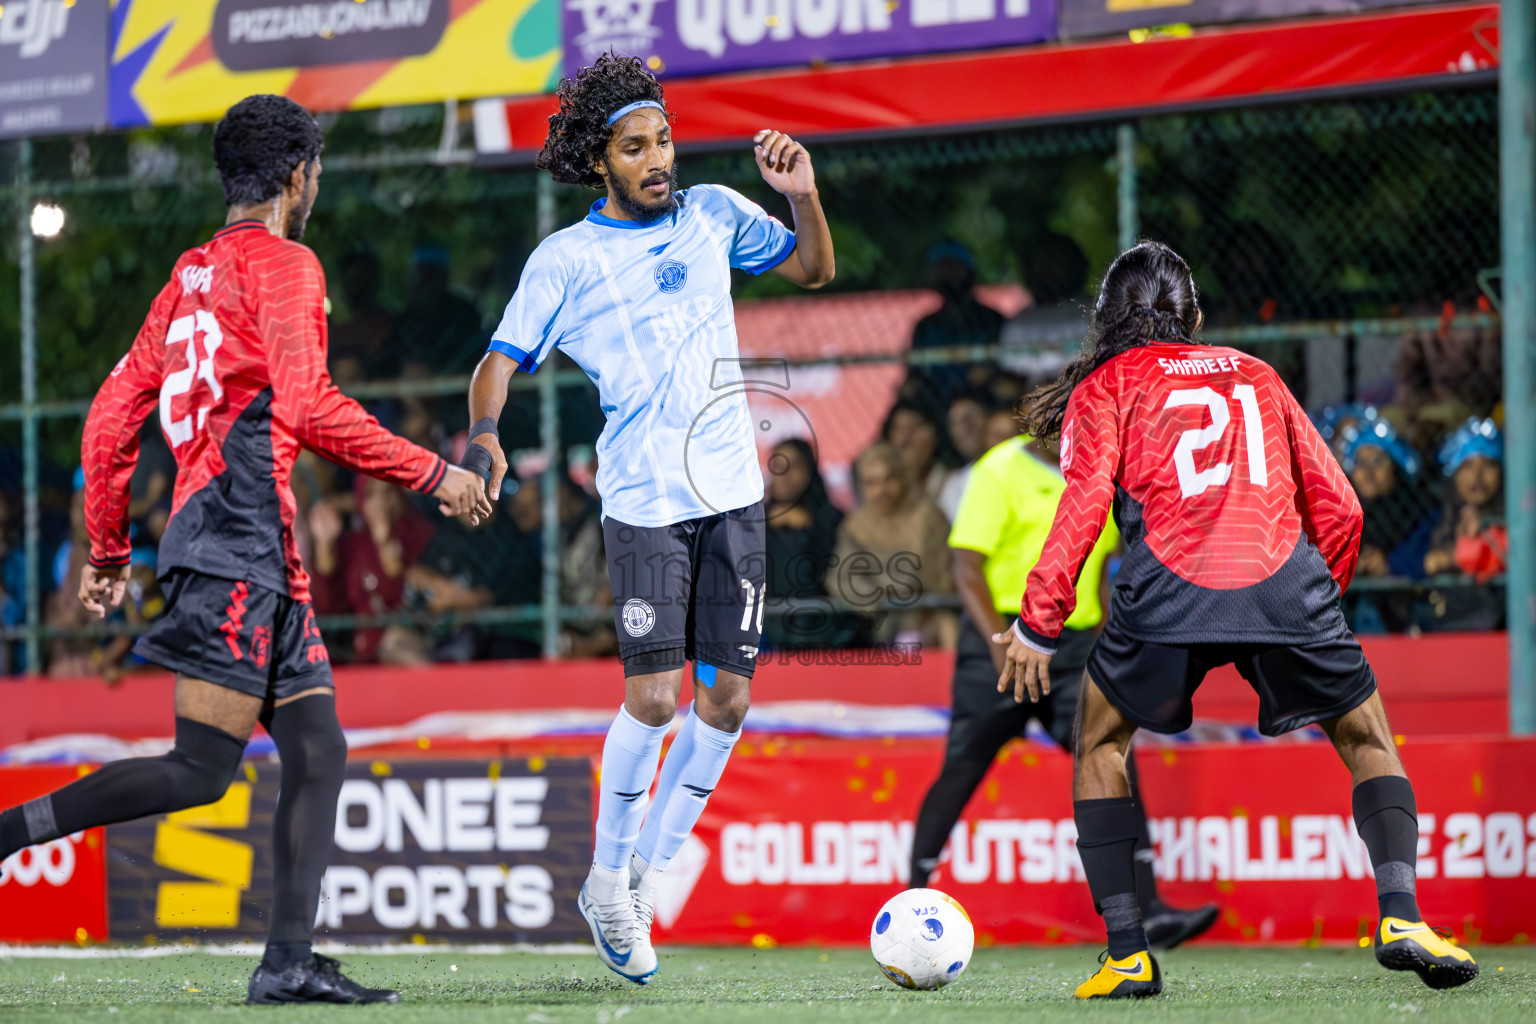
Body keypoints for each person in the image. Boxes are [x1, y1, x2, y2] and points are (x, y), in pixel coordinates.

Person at [0, 95, 488, 1005]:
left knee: (317, 747)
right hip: (235, 537)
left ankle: (287, 963)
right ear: (298, 175)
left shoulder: (188, 274)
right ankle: (8, 832)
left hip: (246, 545)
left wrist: (109, 549)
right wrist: (434, 474)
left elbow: (110, 416)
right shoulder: (288, 265)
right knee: (200, 770)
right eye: (316, 173)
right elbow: (309, 407)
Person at [997, 242, 1477, 998]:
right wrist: (1317, 605)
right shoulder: (1257, 374)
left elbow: (1084, 507)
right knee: (1367, 738)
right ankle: (1401, 915)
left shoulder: (1106, 386)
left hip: (1169, 590)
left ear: (1106, 317)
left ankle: (1128, 952)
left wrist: (1038, 623)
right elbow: (1342, 507)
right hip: (1287, 583)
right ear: (1193, 316)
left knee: (1100, 744)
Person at [461, 53, 833, 984]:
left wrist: (803, 196)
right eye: (636, 147)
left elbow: (816, 270)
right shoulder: (566, 260)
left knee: (731, 700)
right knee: (656, 698)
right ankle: (605, 877)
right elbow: (499, 362)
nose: (658, 158)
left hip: (732, 498)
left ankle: (641, 878)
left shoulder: (713, 212)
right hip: (642, 508)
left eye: (663, 139)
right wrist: (481, 435)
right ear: (602, 161)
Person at [909, 430, 1218, 949]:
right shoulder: (998, 469)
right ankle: (911, 898)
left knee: (1111, 759)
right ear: (1043, 421)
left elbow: (1099, 566)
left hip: (1073, 647)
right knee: (962, 769)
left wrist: (1106, 637)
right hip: (1003, 637)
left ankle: (1151, 912)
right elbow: (966, 568)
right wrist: (996, 647)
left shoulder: (1099, 468)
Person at [831, 443, 954, 649]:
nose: (881, 490)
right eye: (871, 483)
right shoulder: (855, 525)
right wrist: (879, 599)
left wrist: (892, 585)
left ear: (902, 477)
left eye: (889, 479)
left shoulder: (928, 517)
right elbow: (841, 579)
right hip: (875, 634)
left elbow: (940, 579)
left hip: (932, 628)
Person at [763, 438, 843, 647]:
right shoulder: (752, 523)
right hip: (767, 633)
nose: (784, 475)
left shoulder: (834, 522)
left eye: (794, 466)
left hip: (824, 632)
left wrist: (809, 529)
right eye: (778, 466)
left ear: (810, 472)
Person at [882, 399, 955, 511]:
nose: (904, 440)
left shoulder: (957, 483)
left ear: (934, 432)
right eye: (898, 430)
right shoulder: (889, 502)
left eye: (913, 428)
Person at [936, 389, 993, 522]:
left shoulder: (1023, 464)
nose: (966, 427)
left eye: (970, 417)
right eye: (956, 422)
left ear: (990, 418)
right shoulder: (953, 487)